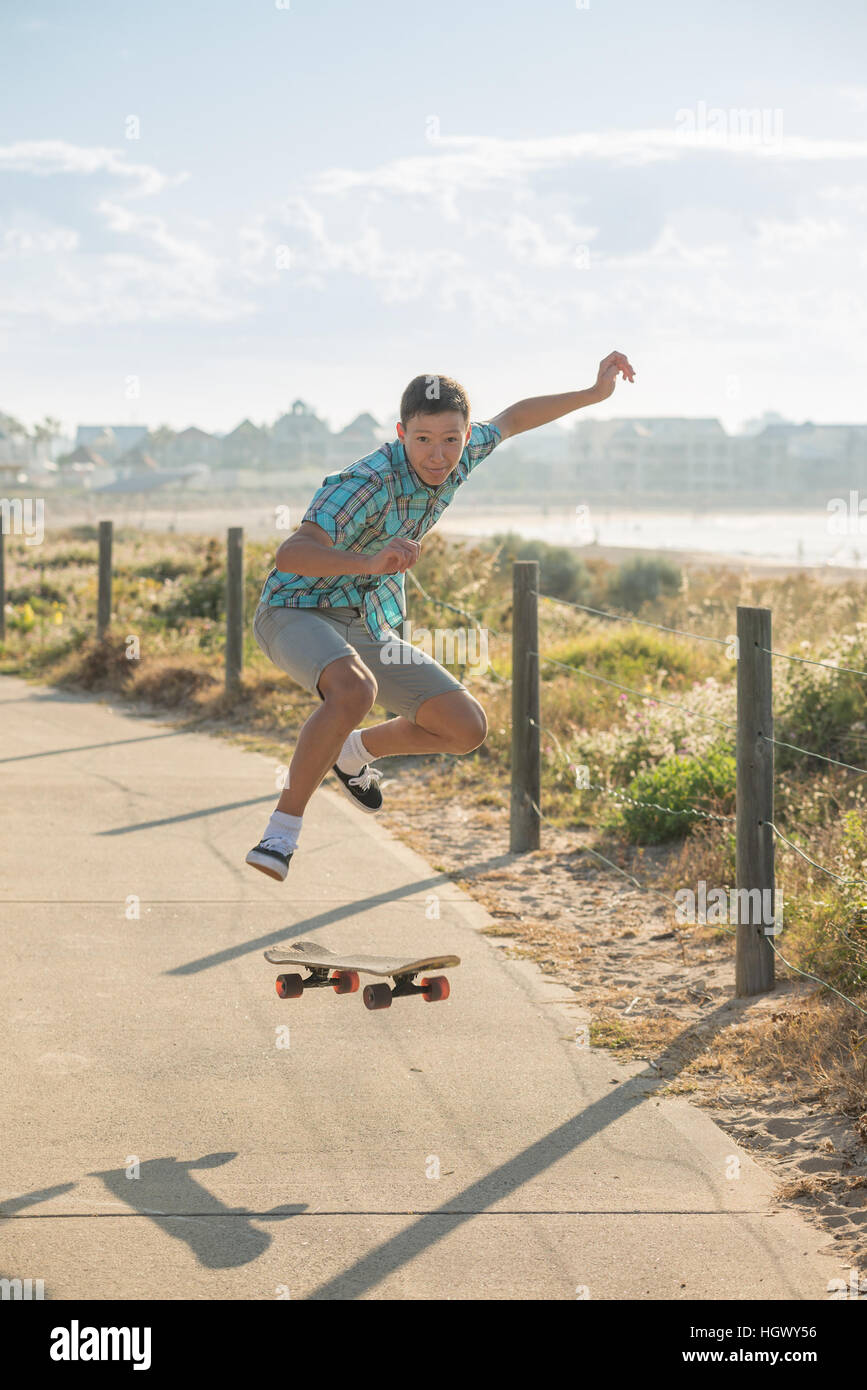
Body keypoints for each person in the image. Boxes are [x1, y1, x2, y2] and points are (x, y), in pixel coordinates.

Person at [246, 352, 635, 879]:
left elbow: (517, 418)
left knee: (464, 727)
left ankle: (354, 752)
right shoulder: (364, 482)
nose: (437, 455)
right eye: (424, 439)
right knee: (353, 690)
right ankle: (281, 833)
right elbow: (291, 554)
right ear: (402, 432)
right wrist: (366, 561)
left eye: (451, 439)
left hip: (363, 618)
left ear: (465, 433)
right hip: (294, 609)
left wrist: (594, 393)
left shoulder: (466, 450)